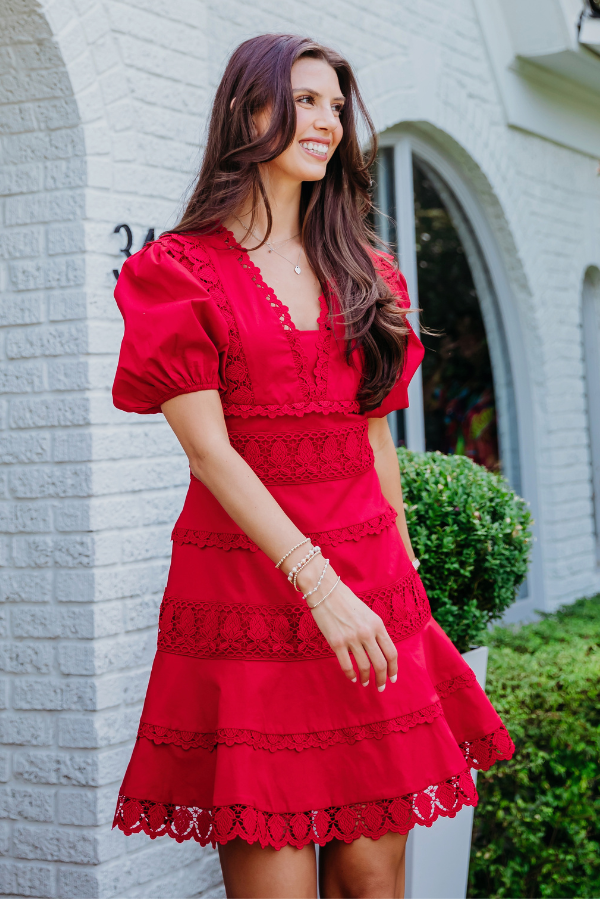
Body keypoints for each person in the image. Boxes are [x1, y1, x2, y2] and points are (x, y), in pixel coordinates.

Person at [111, 34, 514, 899]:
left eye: (335, 104)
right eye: (302, 99)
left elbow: (375, 437)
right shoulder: (174, 273)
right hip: (249, 595)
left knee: (376, 879)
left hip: (371, 589)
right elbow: (209, 451)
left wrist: (399, 574)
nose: (325, 120)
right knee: (276, 883)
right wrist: (317, 585)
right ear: (244, 111)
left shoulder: (366, 272)